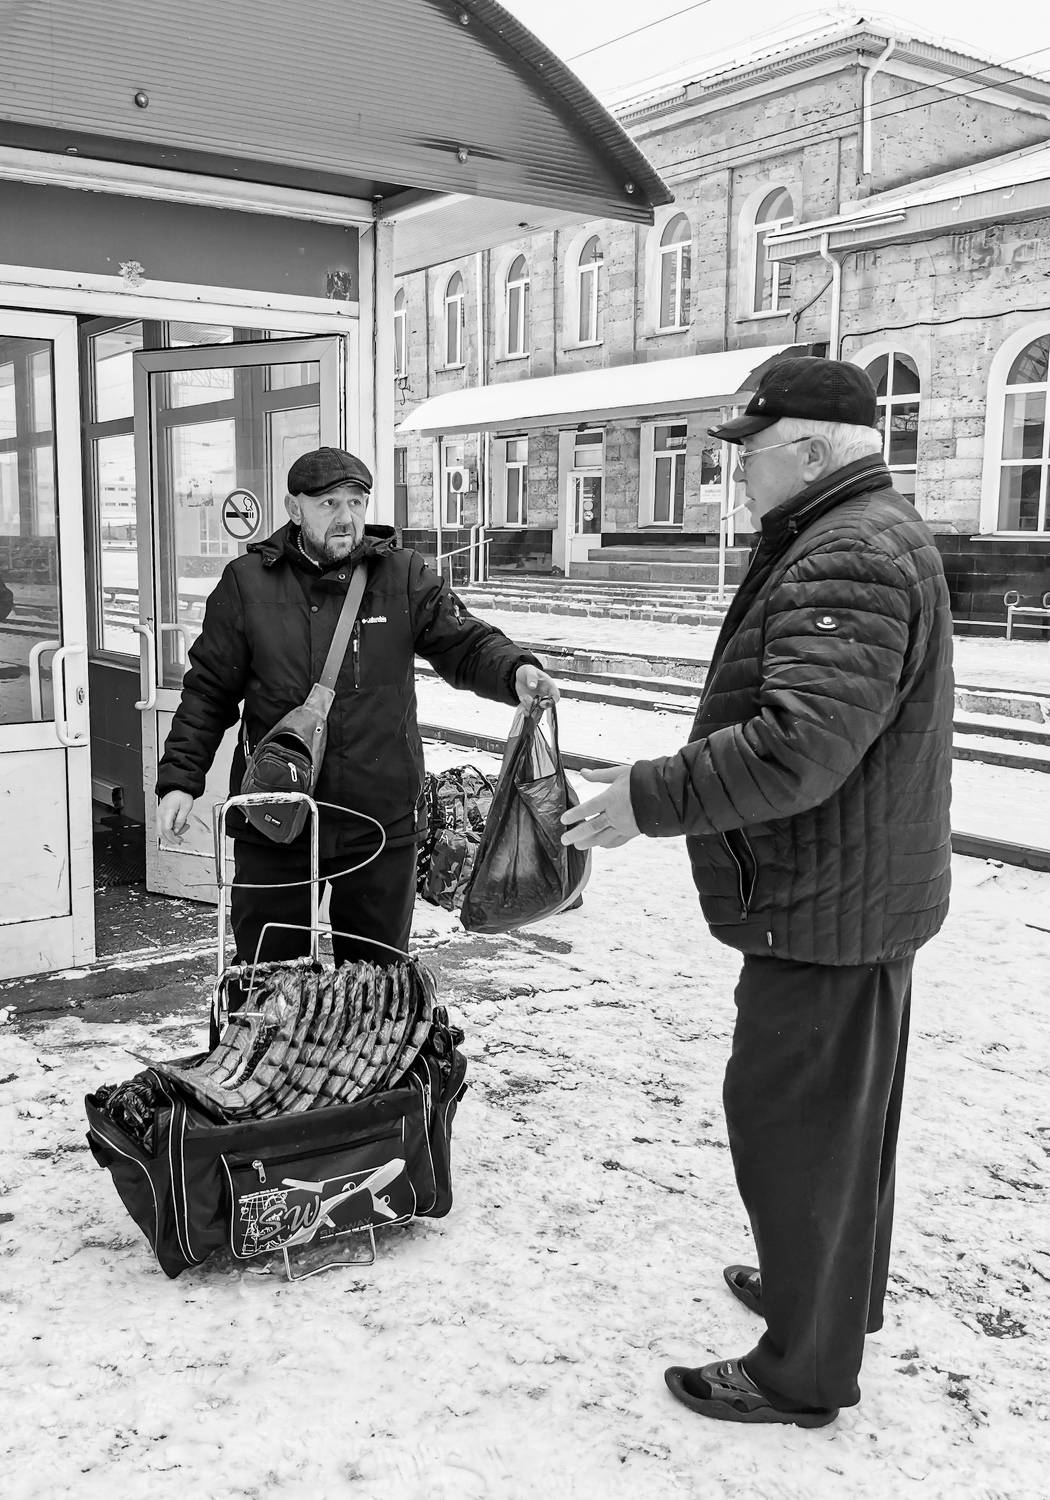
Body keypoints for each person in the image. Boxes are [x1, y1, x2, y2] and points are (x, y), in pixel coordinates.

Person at [561, 357, 953, 1428]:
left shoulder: (849, 553)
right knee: (839, 1127)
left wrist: (647, 798)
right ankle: (825, 1298)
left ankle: (802, 1371)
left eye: (752, 453)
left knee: (793, 1130)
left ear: (812, 452)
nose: (737, 475)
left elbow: (798, 747)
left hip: (828, 899)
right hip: (853, 888)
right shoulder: (862, 531)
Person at [157, 445, 557, 975]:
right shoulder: (247, 583)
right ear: (294, 508)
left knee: (377, 983)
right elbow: (209, 691)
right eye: (328, 503)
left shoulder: (403, 576)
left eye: (355, 501)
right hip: (277, 819)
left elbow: (465, 644)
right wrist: (180, 779)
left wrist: (514, 671)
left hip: (379, 822)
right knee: (269, 978)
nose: (345, 516)